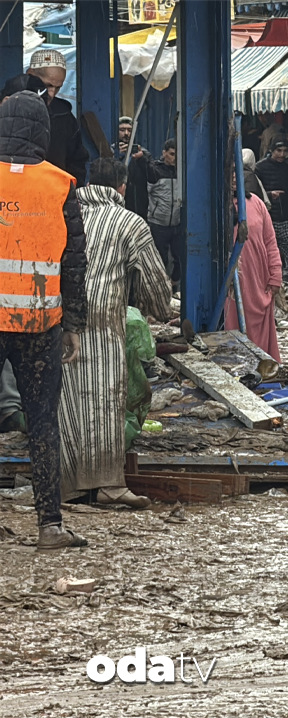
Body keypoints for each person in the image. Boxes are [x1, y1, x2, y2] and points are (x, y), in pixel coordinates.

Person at [0, 91, 88, 549]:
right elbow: (74, 261)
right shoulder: (60, 184)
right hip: (39, 322)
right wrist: (73, 323)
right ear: (44, 132)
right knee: (41, 422)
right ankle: (50, 525)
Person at [59, 158, 172, 508]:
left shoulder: (64, 214)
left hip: (60, 317)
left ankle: (68, 489)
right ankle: (108, 485)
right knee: (106, 402)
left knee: (67, 403)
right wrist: (160, 310)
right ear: (121, 187)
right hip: (104, 318)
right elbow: (155, 282)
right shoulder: (129, 222)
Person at [224, 171, 283, 362]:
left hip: (258, 279)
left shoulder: (256, 203)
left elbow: (270, 241)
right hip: (230, 283)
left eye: (237, 171)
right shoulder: (215, 205)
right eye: (229, 171)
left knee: (259, 328)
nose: (234, 177)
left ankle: (262, 367)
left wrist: (275, 275)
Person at [26, 50, 88, 187]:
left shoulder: (64, 116)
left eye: (58, 87)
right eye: (48, 85)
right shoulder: (8, 107)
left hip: (55, 191)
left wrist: (72, 190)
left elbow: (77, 161)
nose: (52, 93)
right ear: (30, 74)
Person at [255, 139, 288, 300]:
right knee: (263, 258)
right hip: (266, 220)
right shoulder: (259, 168)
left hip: (285, 220)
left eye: (285, 151)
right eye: (279, 150)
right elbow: (254, 193)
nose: (282, 154)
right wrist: (269, 195)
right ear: (272, 150)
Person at [147, 140, 182, 288]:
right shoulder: (155, 171)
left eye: (177, 155)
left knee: (179, 258)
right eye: (171, 154)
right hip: (158, 222)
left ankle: (173, 285)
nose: (174, 158)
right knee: (160, 258)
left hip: (176, 222)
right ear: (164, 153)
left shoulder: (182, 171)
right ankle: (160, 288)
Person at [115, 117, 154, 219]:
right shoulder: (111, 151)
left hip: (139, 207)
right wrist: (117, 156)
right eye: (122, 130)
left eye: (129, 130)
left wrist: (141, 159)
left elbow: (153, 176)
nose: (126, 133)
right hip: (117, 205)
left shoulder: (143, 153)